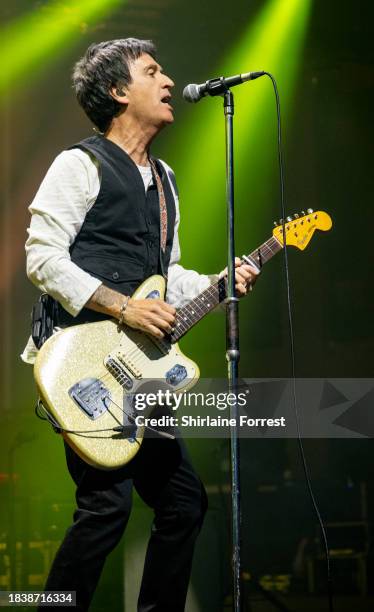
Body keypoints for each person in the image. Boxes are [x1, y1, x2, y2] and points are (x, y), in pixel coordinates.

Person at [22, 38, 259, 611]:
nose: (170, 81)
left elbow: (165, 274)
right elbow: (43, 257)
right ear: (117, 90)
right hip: (82, 366)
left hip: (139, 376)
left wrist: (220, 282)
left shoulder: (167, 180)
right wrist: (123, 307)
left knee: (183, 504)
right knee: (106, 508)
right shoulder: (78, 164)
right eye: (153, 71)